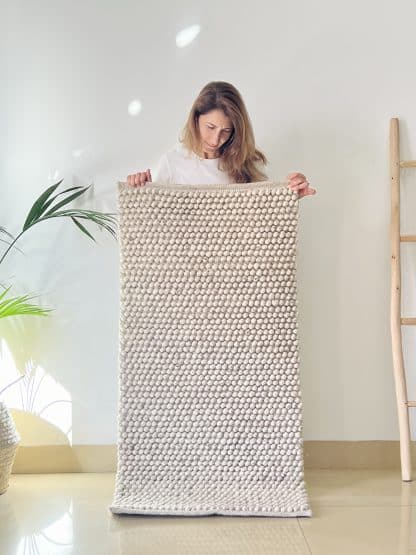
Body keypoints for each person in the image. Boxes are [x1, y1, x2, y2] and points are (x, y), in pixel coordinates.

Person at [126, 81, 317, 199]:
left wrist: (289, 194)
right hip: (186, 264)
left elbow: (260, 219)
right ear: (196, 119)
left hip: (235, 264)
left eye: (226, 131)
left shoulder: (244, 162)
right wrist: (140, 187)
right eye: (210, 127)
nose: (216, 139)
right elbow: (155, 222)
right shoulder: (173, 161)